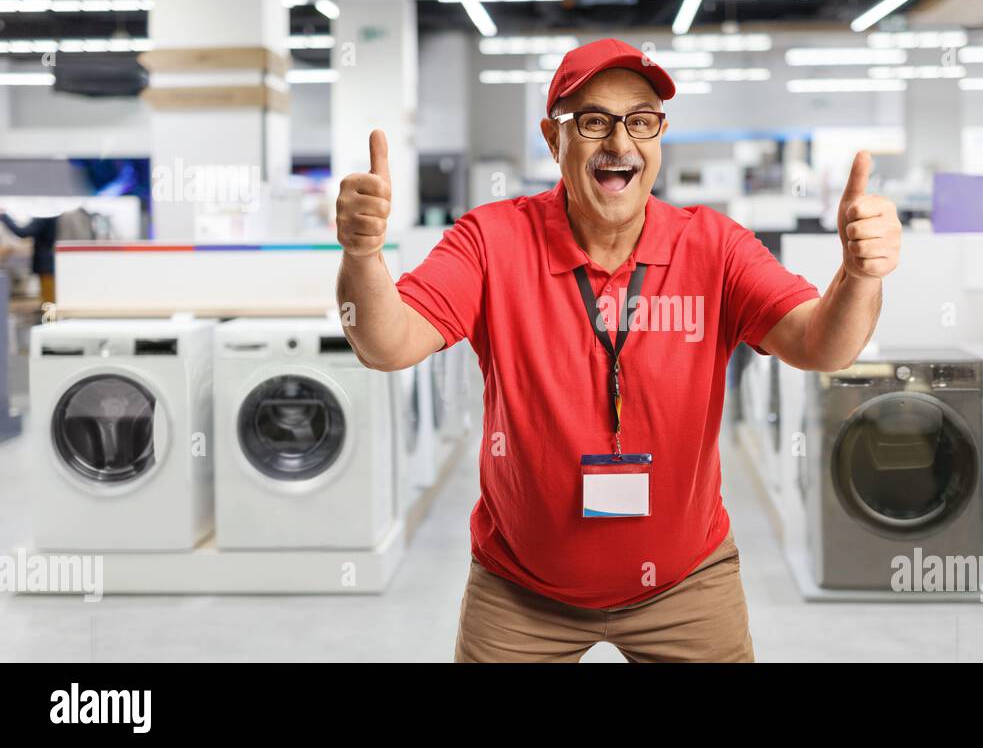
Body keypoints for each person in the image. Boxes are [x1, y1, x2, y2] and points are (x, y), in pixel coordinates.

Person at [335, 38, 901, 662]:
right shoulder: (492, 241)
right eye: (595, 121)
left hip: (687, 586)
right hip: (521, 592)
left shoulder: (715, 247)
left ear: (658, 137)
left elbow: (824, 346)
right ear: (554, 141)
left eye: (642, 120)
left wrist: (860, 274)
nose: (620, 142)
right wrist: (362, 258)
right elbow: (386, 345)